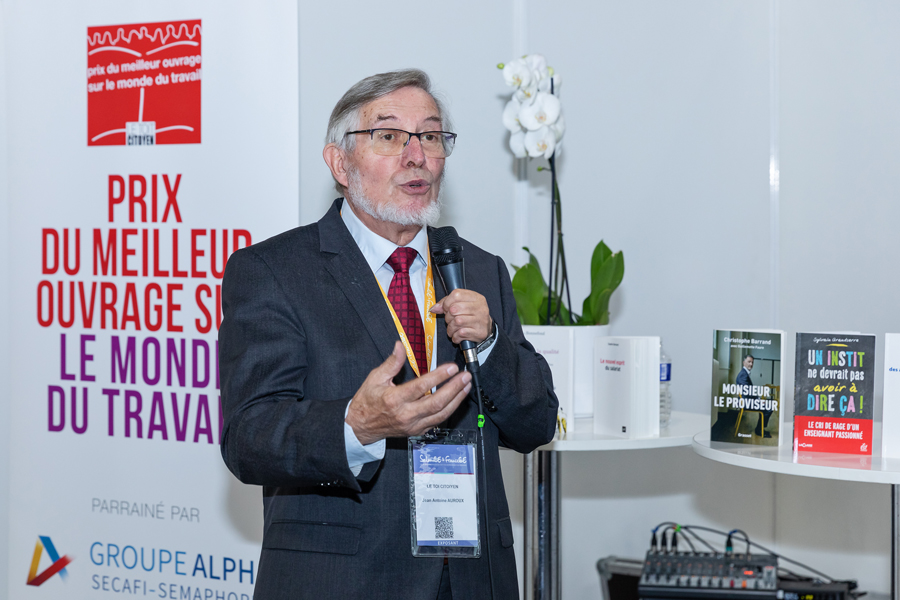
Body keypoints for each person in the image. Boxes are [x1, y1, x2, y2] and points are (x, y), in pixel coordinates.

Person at [219, 69, 558, 600]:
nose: (416, 154)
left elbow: (536, 424)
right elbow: (249, 438)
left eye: (430, 135)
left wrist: (490, 344)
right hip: (343, 580)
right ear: (339, 163)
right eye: (388, 135)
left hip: (471, 579)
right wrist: (356, 425)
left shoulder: (480, 269)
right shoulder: (274, 270)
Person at [736, 354, 770, 437]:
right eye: (749, 362)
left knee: (767, 405)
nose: (751, 364)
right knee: (769, 407)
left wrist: (758, 399)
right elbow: (747, 393)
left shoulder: (744, 373)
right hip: (746, 402)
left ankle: (760, 428)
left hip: (746, 400)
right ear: (744, 362)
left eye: (752, 362)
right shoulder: (743, 374)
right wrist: (758, 401)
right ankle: (759, 430)